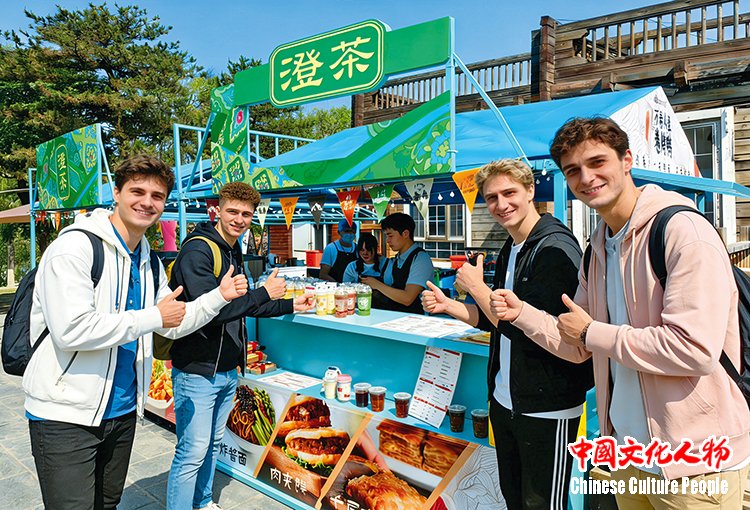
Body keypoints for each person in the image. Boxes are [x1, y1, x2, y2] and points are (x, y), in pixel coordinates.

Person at [490, 117, 750, 507]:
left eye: (597, 162)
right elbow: (577, 345)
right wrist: (522, 313)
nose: (586, 178)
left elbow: (694, 349)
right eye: (572, 170)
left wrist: (592, 332)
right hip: (629, 452)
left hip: (696, 457)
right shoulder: (597, 248)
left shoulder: (682, 231)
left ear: (627, 160)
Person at [23, 154, 248, 510]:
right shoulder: (75, 247)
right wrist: (153, 317)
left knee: (107, 503)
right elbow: (71, 330)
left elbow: (175, 322)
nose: (147, 202)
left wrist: (218, 296)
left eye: (157, 196)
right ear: (116, 193)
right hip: (65, 414)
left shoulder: (148, 260)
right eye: (137, 191)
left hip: (122, 409)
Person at [421, 159, 592, 510]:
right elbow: (497, 321)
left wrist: (476, 287)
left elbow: (543, 331)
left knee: (544, 505)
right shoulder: (511, 246)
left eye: (509, 193)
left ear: (530, 191)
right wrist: (449, 305)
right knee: (513, 500)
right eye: (491, 197)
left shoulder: (555, 249)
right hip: (505, 401)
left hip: (547, 408)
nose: (501, 204)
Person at [166, 181, 314, 510]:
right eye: (232, 211)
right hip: (197, 370)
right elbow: (211, 311)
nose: (239, 219)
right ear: (217, 210)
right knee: (191, 452)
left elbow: (244, 304)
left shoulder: (232, 249)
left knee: (212, 446)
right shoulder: (198, 251)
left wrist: (289, 304)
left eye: (246, 214)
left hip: (227, 369)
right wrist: (263, 293)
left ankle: (203, 501)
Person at [361, 212, 434, 314]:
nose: (387, 241)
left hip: (414, 318)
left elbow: (408, 298)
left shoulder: (420, 259)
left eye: (390, 236)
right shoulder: (396, 259)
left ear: (405, 234)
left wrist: (377, 285)